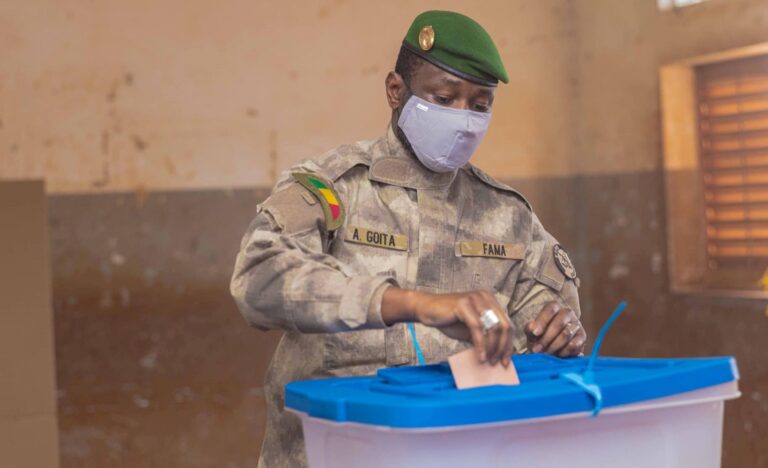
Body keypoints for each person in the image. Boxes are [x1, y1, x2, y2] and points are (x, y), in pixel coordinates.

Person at [230, 10, 585, 468]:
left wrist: (560, 335)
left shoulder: (507, 216)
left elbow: (547, 336)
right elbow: (257, 279)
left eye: (480, 105)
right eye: (444, 97)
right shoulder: (334, 190)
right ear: (396, 91)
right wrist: (409, 304)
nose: (463, 118)